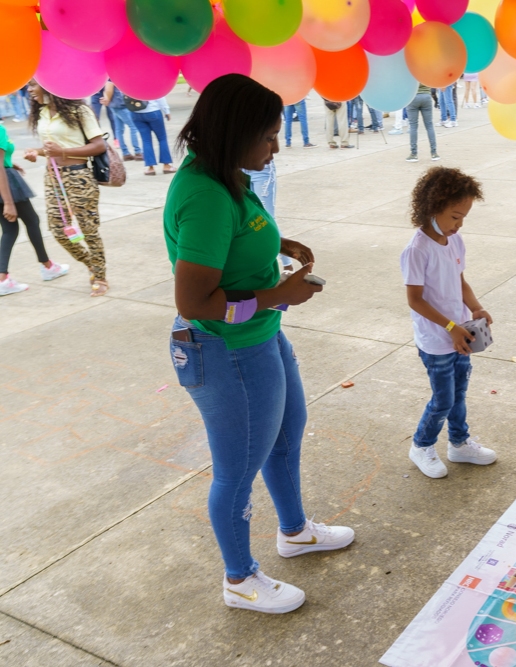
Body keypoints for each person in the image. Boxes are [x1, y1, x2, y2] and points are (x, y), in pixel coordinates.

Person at [166, 73, 353, 613]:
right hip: (227, 353)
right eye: (269, 135)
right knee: (237, 471)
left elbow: (241, 234)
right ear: (235, 132)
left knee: (286, 438)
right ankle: (239, 579)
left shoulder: (231, 175)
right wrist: (276, 294)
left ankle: (294, 532)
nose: (277, 144)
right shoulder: (204, 194)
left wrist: (279, 241)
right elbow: (195, 302)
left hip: (261, 340)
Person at [401, 166, 496, 478]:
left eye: (464, 217)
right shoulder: (417, 249)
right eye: (455, 216)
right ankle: (421, 445)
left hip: (460, 337)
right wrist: (451, 327)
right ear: (432, 207)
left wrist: (476, 308)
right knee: (443, 399)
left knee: (459, 393)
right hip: (437, 341)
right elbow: (415, 300)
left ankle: (459, 443)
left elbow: (460, 282)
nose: (459, 224)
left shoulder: (455, 242)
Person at [23, 80, 110, 296]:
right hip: (53, 177)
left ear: (49, 84)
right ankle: (91, 263)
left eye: (33, 85)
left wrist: (62, 152)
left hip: (79, 177)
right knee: (58, 230)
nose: (29, 89)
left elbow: (99, 146)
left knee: (88, 230)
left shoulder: (79, 110)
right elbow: (51, 148)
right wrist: (37, 152)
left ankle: (100, 276)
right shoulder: (42, 112)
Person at [0, 120, 67, 295]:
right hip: (5, 184)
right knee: (31, 221)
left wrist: (9, 163)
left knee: (9, 229)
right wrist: (8, 202)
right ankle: (48, 266)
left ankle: (3, 278)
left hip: (5, 177)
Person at [131, 97, 175, 176]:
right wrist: (166, 110)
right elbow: (160, 97)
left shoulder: (130, 84)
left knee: (146, 140)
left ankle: (150, 168)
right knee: (162, 139)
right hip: (153, 111)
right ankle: (166, 165)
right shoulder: (151, 83)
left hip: (136, 112)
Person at [101, 82, 143, 162]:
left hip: (114, 104)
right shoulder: (113, 74)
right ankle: (138, 152)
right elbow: (109, 87)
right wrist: (107, 99)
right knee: (133, 127)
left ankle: (125, 153)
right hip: (120, 104)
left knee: (119, 129)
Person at [406, 84, 440, 162]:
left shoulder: (410, 71)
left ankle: (414, 154)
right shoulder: (425, 71)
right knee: (429, 125)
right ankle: (434, 153)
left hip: (412, 97)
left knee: (413, 126)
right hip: (426, 96)